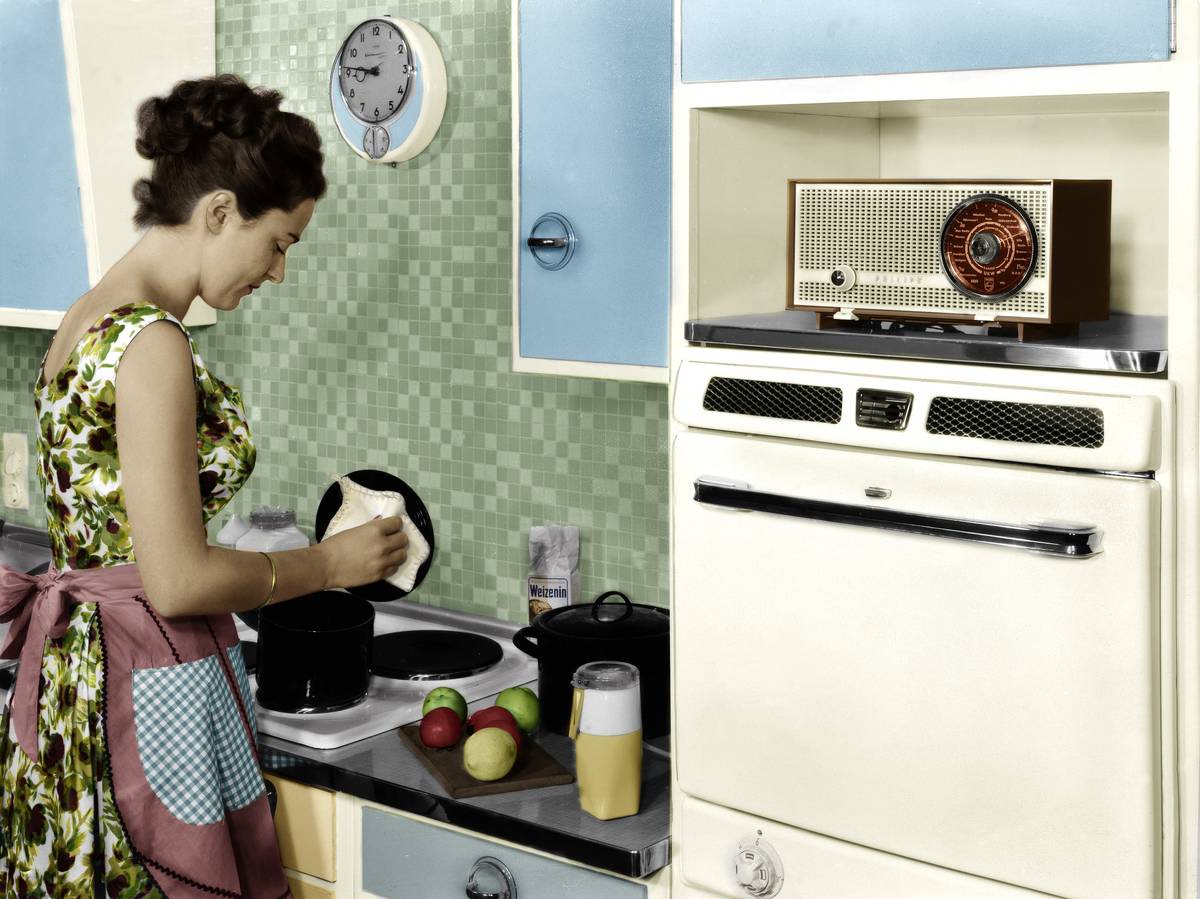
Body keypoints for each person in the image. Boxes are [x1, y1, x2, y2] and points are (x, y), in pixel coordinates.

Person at [0, 74, 408, 897]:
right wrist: (330, 564)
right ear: (220, 211)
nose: (280, 270)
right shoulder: (151, 344)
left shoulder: (82, 315)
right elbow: (177, 580)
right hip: (147, 681)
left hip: (82, 685)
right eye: (281, 241)